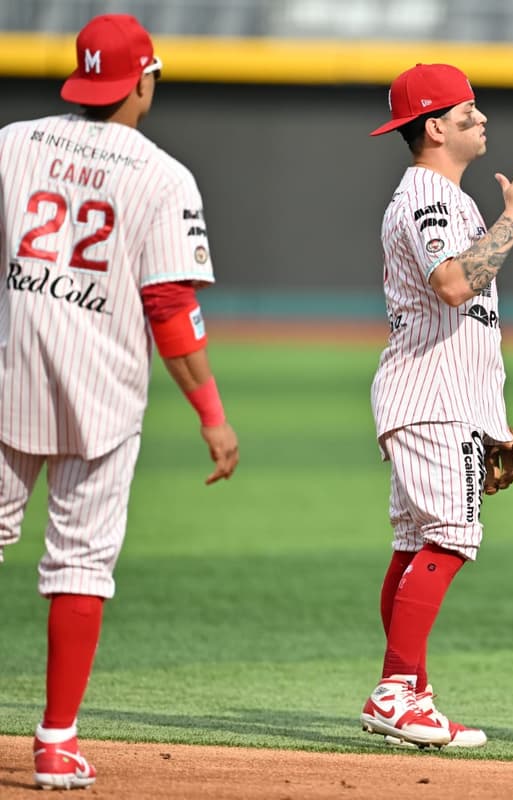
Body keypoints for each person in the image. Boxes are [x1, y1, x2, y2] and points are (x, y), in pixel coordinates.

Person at [0, 14, 240, 790]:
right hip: (99, 399)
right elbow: (169, 307)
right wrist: (212, 415)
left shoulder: (12, 143)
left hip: (7, 381)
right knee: (80, 564)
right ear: (142, 80)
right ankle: (56, 743)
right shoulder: (162, 175)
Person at [358, 63, 513, 749]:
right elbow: (450, 283)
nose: (483, 119)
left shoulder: (441, 196)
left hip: (438, 393)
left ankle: (408, 691)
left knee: (415, 544)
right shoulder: (430, 196)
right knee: (450, 539)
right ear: (435, 126)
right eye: (468, 111)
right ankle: (394, 692)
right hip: (435, 396)